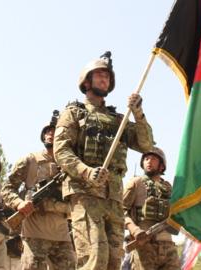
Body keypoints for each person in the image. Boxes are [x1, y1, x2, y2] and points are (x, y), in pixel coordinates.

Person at [54, 51, 154, 269]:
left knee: (113, 262)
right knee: (94, 258)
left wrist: (138, 113)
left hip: (115, 197)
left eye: (107, 77)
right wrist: (86, 171)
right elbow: (61, 151)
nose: (104, 79)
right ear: (87, 81)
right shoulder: (73, 113)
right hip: (86, 193)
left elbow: (146, 144)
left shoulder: (119, 119)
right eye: (99, 75)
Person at [1, 110, 75, 270]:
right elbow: (7, 188)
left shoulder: (69, 164)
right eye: (47, 132)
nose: (50, 134)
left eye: (54, 132)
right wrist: (19, 203)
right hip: (34, 234)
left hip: (62, 234)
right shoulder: (30, 160)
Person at [123, 147, 180, 270]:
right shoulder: (136, 183)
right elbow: (120, 212)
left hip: (168, 245)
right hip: (144, 245)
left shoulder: (169, 188)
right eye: (146, 159)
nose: (149, 161)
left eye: (153, 159)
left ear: (161, 165)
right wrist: (135, 230)